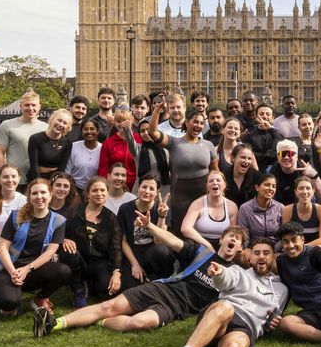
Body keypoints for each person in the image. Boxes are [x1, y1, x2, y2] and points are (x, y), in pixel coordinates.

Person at [33, 223, 248, 337]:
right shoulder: (201, 252)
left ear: (240, 248)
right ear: (221, 239)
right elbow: (173, 241)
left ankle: (98, 321)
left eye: (238, 239)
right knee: (110, 306)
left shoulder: (237, 275)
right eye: (230, 236)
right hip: (164, 290)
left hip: (176, 309)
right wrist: (150, 227)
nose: (233, 240)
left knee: (139, 322)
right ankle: (54, 324)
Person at [167, 238, 288, 347]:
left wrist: (271, 324)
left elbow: (273, 317)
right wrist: (219, 273)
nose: (261, 256)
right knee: (226, 308)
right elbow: (225, 278)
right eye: (257, 253)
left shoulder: (282, 289)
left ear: (273, 257)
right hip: (220, 317)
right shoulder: (239, 272)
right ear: (250, 258)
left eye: (266, 253)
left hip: (246, 327)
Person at [0, 177, 70, 317]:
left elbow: (50, 252)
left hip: (33, 269)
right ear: (29, 197)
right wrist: (13, 272)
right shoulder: (16, 216)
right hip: (7, 268)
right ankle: (12, 292)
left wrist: (26, 269)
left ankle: (39, 298)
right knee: (8, 304)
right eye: (35, 193)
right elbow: (2, 247)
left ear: (50, 195)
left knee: (64, 271)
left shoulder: (58, 220)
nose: (39, 197)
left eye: (43, 192)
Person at [149, 103, 219, 234]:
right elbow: (152, 132)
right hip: (181, 195)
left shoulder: (208, 145)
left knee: (202, 229)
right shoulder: (174, 143)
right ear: (186, 122)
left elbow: (216, 172)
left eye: (201, 123)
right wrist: (157, 110)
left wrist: (220, 191)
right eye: (195, 122)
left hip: (203, 194)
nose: (198, 125)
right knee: (181, 231)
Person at [61, 176, 123, 307]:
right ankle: (78, 291)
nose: (99, 193)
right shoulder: (74, 211)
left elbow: (115, 247)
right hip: (77, 258)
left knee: (105, 288)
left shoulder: (111, 218)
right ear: (88, 194)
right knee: (69, 253)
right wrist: (64, 239)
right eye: (94, 190)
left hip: (99, 261)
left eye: (102, 190)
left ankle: (91, 285)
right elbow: (58, 231)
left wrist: (116, 272)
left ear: (107, 193)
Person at [117, 175, 174, 284]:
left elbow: (159, 241)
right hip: (133, 254)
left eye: (152, 189)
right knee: (129, 287)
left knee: (161, 251)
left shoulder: (162, 208)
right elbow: (123, 241)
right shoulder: (125, 209)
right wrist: (135, 264)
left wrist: (161, 216)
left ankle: (159, 279)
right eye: (144, 187)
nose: (147, 191)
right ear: (138, 188)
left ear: (157, 193)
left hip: (153, 255)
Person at [0, 91, 47, 191]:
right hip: (14, 180)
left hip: (39, 179)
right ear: (20, 106)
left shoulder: (46, 128)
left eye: (33, 105)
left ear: (39, 107)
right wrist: (1, 175)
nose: (30, 108)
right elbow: (0, 152)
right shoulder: (7, 125)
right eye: (27, 105)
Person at [181, 170, 240, 249]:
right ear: (207, 186)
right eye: (211, 181)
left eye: (218, 180)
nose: (215, 183)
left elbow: (232, 232)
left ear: (224, 185)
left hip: (222, 244)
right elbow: (185, 228)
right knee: (192, 247)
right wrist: (207, 244)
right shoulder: (197, 203)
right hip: (200, 243)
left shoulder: (232, 206)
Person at [28, 109, 75, 184]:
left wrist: (52, 183)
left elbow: (61, 169)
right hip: (35, 180)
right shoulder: (35, 139)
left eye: (65, 123)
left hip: (55, 182)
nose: (61, 124)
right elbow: (34, 166)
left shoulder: (67, 144)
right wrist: (40, 184)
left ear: (67, 127)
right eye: (59, 120)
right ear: (52, 119)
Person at [281, 176, 321, 247]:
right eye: (301, 188)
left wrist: (303, 247)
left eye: (308, 188)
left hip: (315, 248)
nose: (305, 192)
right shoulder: (287, 210)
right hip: (294, 248)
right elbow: (286, 237)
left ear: (313, 191)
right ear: (295, 192)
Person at [237, 173, 285, 241]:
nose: (271, 188)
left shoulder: (280, 208)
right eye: (267, 185)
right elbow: (244, 237)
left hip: (276, 246)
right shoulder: (245, 208)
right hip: (253, 246)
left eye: (274, 186)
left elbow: (283, 235)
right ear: (257, 187)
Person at [97, 108, 140, 180]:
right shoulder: (108, 143)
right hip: (115, 182)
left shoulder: (139, 140)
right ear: (114, 122)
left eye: (125, 121)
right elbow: (103, 169)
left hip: (135, 183)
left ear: (131, 121)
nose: (122, 124)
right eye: (118, 121)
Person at [62, 118, 103, 189]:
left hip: (95, 188)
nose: (89, 131)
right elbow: (67, 172)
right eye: (85, 129)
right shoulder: (73, 146)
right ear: (82, 132)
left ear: (97, 131)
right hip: (74, 187)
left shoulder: (103, 148)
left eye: (92, 129)